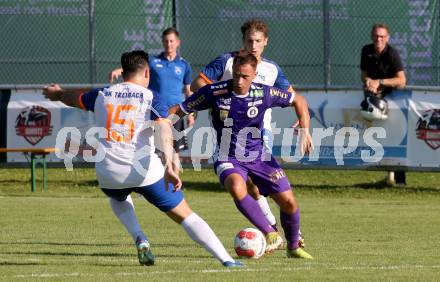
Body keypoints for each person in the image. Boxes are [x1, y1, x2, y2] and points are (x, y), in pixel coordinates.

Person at [42, 50, 242, 268]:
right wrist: (169, 163)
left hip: (108, 173)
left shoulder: (101, 94)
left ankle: (139, 236)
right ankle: (227, 260)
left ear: (123, 72)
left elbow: (74, 98)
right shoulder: (151, 97)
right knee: (186, 215)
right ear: (147, 72)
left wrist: (58, 92)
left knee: (118, 198)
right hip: (145, 172)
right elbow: (163, 129)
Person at [170, 53, 314, 259]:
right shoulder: (215, 91)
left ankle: (293, 247)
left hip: (259, 156)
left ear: (254, 75)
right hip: (227, 156)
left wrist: (305, 129)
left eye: (245, 76)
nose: (238, 81)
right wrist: (161, 123)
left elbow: (298, 100)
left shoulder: (264, 93)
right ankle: (270, 232)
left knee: (289, 202)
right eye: (236, 74)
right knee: (237, 187)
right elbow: (181, 109)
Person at [191, 18, 304, 248]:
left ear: (265, 42)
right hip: (229, 131)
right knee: (250, 185)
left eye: (258, 41)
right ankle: (272, 228)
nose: (254, 45)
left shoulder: (272, 69)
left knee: (257, 185)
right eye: (249, 40)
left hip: (261, 134)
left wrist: (302, 120)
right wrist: (220, 97)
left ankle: (284, 232)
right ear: (243, 40)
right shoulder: (226, 61)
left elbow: (292, 95)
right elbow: (196, 86)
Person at [110, 27, 194, 176]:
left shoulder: (184, 65)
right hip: (156, 112)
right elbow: (136, 67)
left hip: (177, 112)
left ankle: (175, 182)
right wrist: (119, 71)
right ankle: (153, 179)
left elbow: (188, 90)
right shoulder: (154, 61)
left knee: (175, 149)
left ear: (178, 43)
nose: (169, 44)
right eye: (166, 41)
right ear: (162, 42)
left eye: (172, 41)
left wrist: (191, 113)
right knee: (155, 149)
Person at [360, 23, 407, 186]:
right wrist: (368, 81)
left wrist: (379, 82)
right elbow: (364, 75)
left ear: (387, 38)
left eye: (382, 36)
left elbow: (402, 80)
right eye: (376, 36)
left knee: (396, 135)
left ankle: (399, 180)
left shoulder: (392, 54)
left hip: (393, 98)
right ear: (372, 36)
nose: (378, 39)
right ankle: (386, 175)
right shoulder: (366, 51)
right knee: (378, 136)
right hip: (373, 100)